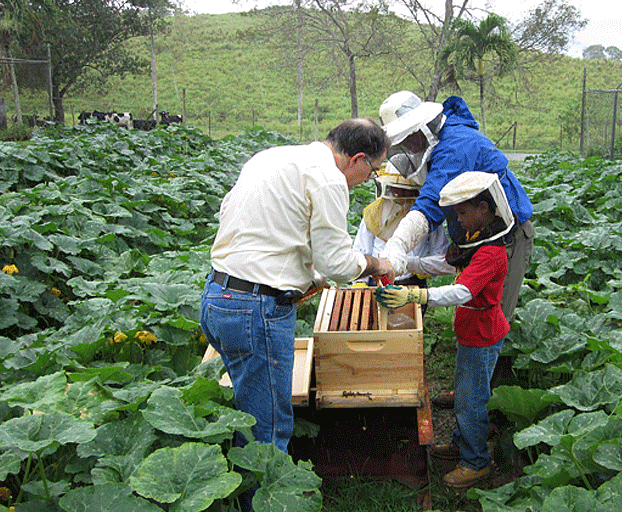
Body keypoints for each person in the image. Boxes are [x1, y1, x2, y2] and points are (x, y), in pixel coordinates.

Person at [200, 118, 393, 455]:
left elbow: (268, 231)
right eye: (373, 170)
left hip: (218, 297)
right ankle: (269, 497)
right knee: (268, 429)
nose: (368, 179)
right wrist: (375, 263)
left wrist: (308, 278)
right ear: (357, 159)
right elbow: (337, 263)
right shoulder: (329, 180)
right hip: (256, 310)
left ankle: (239, 488)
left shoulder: (272, 158)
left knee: (247, 412)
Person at [377, 91, 535, 406]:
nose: (409, 148)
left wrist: (396, 251)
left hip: (507, 240)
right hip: (476, 237)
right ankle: (469, 392)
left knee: (491, 321)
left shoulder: (456, 147)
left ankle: (482, 406)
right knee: (475, 319)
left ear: (423, 128)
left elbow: (430, 205)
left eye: (409, 140)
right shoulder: (446, 141)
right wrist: (409, 264)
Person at [375, 171, 512, 489]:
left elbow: (461, 292)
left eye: (463, 212)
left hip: (482, 333)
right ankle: (459, 443)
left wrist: (415, 294)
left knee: (470, 399)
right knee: (468, 389)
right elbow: (448, 263)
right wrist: (409, 264)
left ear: (483, 208)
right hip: (474, 329)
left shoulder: (492, 252)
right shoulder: (478, 240)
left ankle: (476, 462)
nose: (459, 219)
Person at [352, 161, 455, 289]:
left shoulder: (426, 213)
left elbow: (440, 253)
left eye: (405, 189)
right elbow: (361, 250)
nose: (400, 192)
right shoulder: (374, 213)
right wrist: (359, 282)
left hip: (412, 282)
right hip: (377, 282)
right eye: (397, 187)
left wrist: (421, 267)